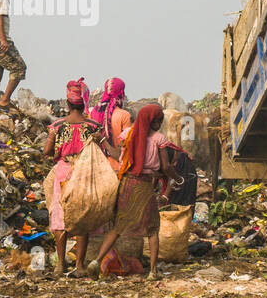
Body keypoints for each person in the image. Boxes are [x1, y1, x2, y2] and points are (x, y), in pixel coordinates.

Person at [88, 103, 180, 281]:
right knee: (152, 229)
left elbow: (117, 155)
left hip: (126, 184)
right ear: (151, 120)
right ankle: (153, 271)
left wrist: (102, 141)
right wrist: (176, 177)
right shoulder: (159, 139)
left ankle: (96, 261)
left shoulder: (128, 134)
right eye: (158, 120)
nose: (159, 123)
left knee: (117, 228)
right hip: (144, 186)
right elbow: (166, 166)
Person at [42, 79, 107, 276]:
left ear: (68, 104)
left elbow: (47, 151)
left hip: (64, 172)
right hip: (85, 174)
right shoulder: (94, 126)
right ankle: (79, 265)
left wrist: (58, 154)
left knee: (60, 215)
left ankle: (60, 264)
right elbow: (102, 153)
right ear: (83, 104)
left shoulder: (57, 126)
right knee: (82, 216)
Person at [88, 78, 131, 147]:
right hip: (117, 156)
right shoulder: (124, 115)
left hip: (97, 156)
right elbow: (127, 143)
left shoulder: (94, 112)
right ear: (121, 93)